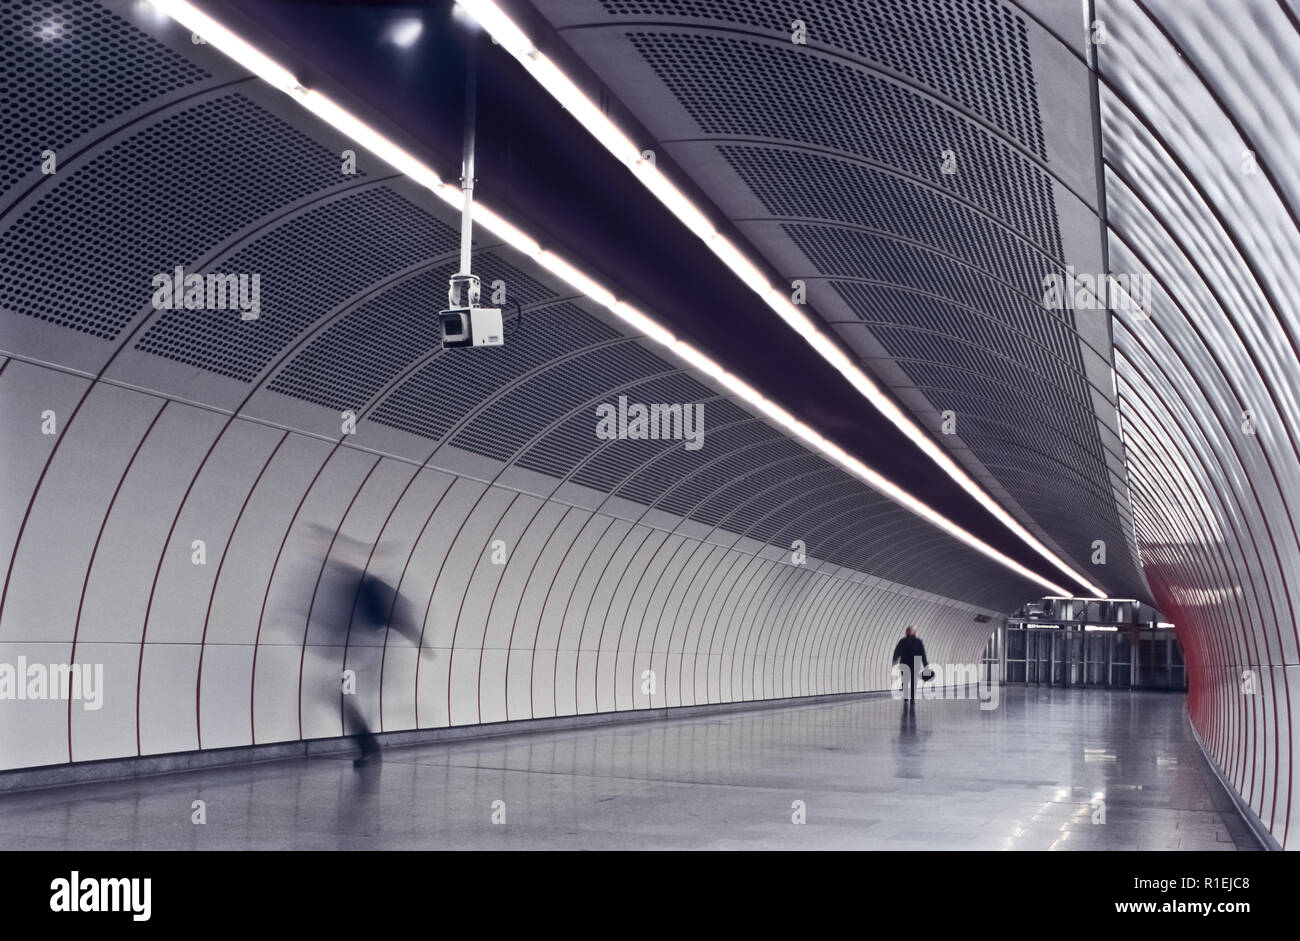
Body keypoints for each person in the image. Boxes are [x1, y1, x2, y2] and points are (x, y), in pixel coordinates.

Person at [891, 626, 929, 703]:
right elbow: (897, 650)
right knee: (905, 680)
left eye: (910, 631)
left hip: (915, 663)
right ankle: (905, 696)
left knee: (913, 681)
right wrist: (895, 658)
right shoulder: (902, 641)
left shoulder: (919, 642)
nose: (909, 632)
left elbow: (922, 653)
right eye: (908, 631)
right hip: (904, 663)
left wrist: (925, 665)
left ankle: (912, 698)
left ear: (914, 632)